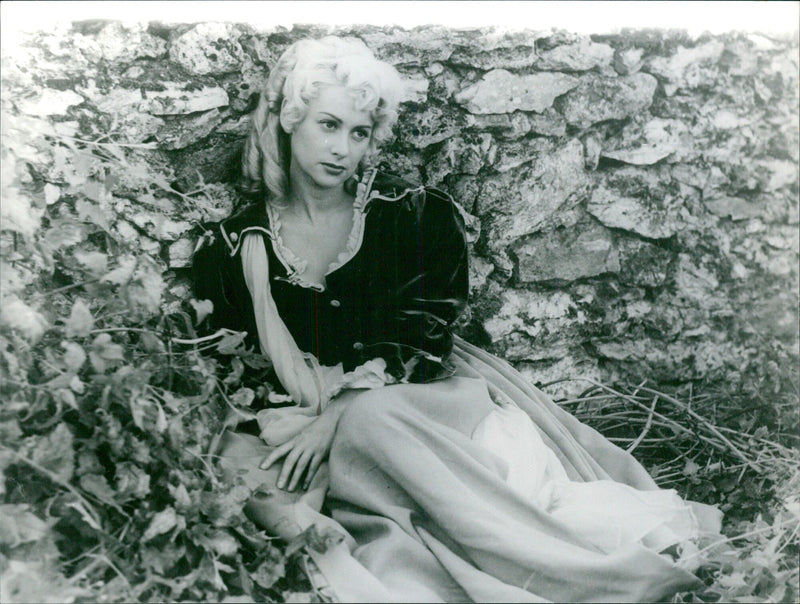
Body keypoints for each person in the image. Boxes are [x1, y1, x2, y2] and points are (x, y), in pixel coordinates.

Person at [193, 36, 722, 603]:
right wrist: (305, 421)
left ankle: (568, 569)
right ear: (290, 120)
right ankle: (345, 556)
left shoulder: (416, 215)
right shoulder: (231, 246)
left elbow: (424, 344)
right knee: (241, 466)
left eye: (359, 132)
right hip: (297, 408)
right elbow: (234, 367)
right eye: (328, 124)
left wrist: (340, 417)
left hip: (416, 393)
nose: (342, 148)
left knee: (371, 418)